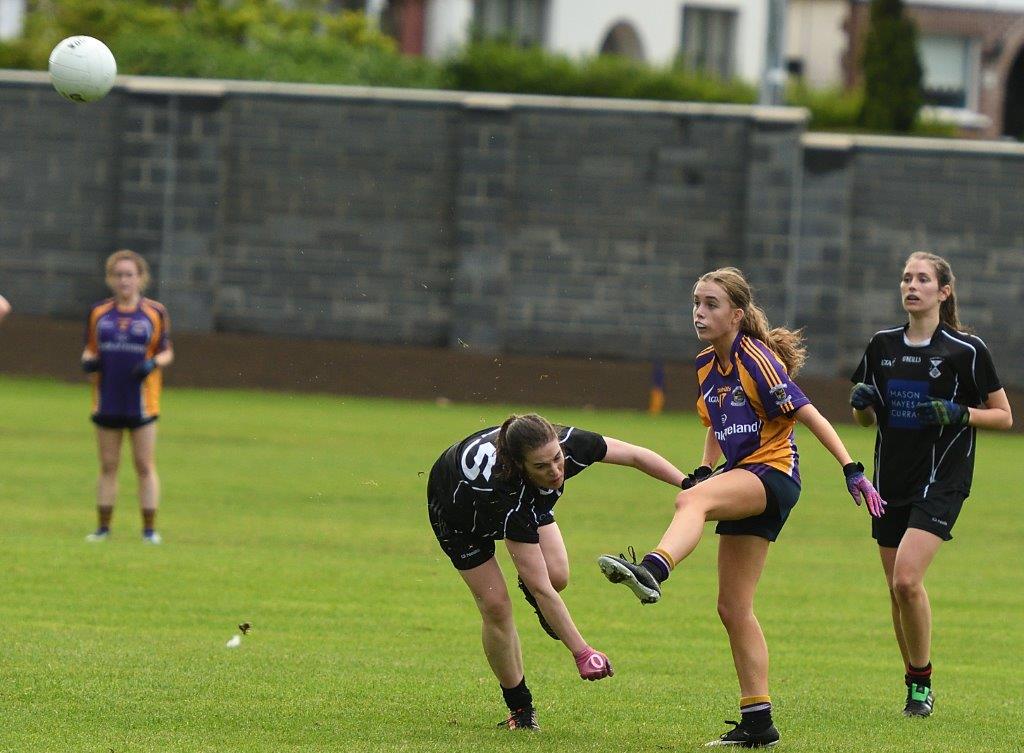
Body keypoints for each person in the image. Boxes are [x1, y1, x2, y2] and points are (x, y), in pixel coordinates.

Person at [597, 267, 885, 748]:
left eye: (710, 304)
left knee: (690, 500)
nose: (699, 312)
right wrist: (707, 468)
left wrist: (851, 467)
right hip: (742, 478)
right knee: (733, 607)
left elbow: (807, 412)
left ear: (736, 313)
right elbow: (715, 423)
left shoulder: (757, 358)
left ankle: (652, 568)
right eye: (695, 302)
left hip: (772, 476)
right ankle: (758, 722)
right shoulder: (707, 365)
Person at [428, 413, 688, 730]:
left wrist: (689, 484)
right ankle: (520, 710)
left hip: (521, 496)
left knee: (558, 576)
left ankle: (543, 611)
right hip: (456, 512)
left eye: (556, 459)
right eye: (541, 466)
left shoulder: (568, 445)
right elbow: (541, 589)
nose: (555, 471)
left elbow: (634, 455)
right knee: (496, 606)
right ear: (519, 466)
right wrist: (582, 652)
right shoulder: (511, 495)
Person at [849, 252, 1011, 718]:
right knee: (896, 591)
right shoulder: (881, 346)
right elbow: (865, 420)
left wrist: (961, 413)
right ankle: (914, 683)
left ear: (943, 291)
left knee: (906, 579)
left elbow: (1004, 415)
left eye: (922, 279)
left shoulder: (967, 350)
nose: (911, 285)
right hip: (889, 481)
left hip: (941, 481)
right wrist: (862, 403)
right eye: (905, 278)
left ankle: (921, 686)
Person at [82, 250, 173, 544]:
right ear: (111, 279)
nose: (124, 280)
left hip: (142, 401)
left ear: (140, 278)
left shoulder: (154, 312)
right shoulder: (99, 313)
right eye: (119, 275)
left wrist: (153, 364)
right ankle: (103, 528)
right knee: (108, 464)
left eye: (129, 275)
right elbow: (90, 348)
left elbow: (166, 350)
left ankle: (149, 530)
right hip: (107, 397)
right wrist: (88, 362)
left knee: (144, 465)